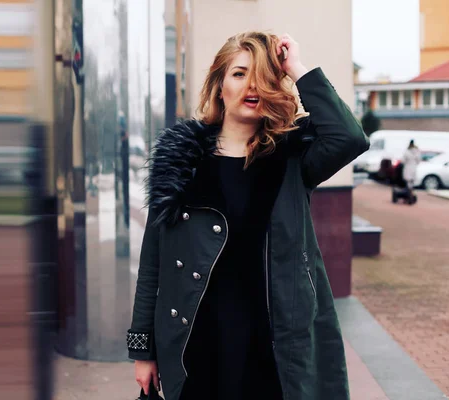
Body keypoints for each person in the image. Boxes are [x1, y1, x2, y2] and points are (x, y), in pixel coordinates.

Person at [127, 31, 369, 400]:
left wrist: (296, 68)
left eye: (263, 76)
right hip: (198, 336)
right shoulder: (181, 161)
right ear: (219, 84)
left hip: (276, 339)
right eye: (239, 73)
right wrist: (142, 351)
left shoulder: (292, 157)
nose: (251, 85)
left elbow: (349, 138)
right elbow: (152, 265)